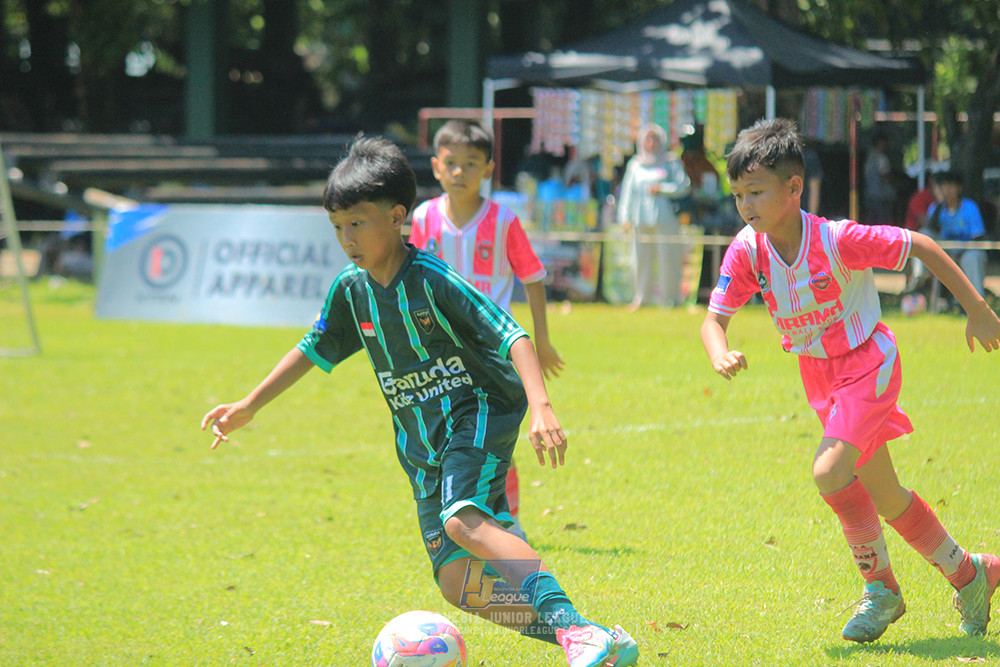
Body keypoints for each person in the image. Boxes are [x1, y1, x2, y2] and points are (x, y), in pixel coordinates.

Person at [200, 136, 638, 667]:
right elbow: (313, 349)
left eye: (357, 223)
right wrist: (249, 405)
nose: (347, 238)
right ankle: (594, 637)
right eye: (338, 227)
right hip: (420, 447)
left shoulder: (432, 279)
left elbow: (512, 334)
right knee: (456, 582)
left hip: (478, 410)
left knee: (463, 520)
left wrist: (542, 404)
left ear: (398, 216)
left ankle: (574, 632)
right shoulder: (351, 291)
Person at [701, 118, 1000, 644]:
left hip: (869, 362)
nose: (745, 205)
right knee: (885, 496)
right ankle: (971, 573)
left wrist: (977, 309)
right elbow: (712, 319)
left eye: (755, 192)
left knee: (829, 470)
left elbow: (922, 245)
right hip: (820, 377)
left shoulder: (838, 239)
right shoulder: (748, 249)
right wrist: (720, 350)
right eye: (738, 195)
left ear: (793, 189)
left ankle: (880, 589)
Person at [409, 119, 566, 541]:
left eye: (470, 163)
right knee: (448, 436)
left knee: (494, 435)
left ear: (488, 169)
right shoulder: (423, 218)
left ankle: (507, 517)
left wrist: (543, 340)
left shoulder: (502, 222)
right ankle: (462, 514)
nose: (460, 172)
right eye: (452, 163)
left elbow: (532, 277)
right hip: (442, 351)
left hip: (493, 350)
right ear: (437, 166)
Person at [617, 123, 691, 309]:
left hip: (665, 219)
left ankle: (670, 299)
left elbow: (683, 186)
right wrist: (624, 217)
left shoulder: (670, 161)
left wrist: (663, 189)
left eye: (655, 139)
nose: (651, 143)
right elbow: (627, 193)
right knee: (641, 260)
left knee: (668, 260)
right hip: (640, 219)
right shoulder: (635, 165)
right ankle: (642, 298)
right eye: (647, 139)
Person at [925, 170, 988, 300]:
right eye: (944, 186)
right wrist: (940, 204)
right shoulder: (935, 209)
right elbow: (930, 231)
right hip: (943, 252)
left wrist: (958, 255)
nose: (948, 190)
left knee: (973, 258)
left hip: (967, 251)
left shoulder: (970, 207)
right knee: (923, 234)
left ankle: (977, 304)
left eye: (951, 186)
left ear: (959, 188)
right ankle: (920, 280)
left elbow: (978, 237)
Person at [902, 170, 939, 291]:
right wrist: (941, 202)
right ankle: (915, 281)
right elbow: (926, 224)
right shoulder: (920, 197)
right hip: (914, 235)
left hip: (937, 237)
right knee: (921, 239)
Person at [863, 131, 896, 226]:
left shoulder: (869, 157)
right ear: (880, 143)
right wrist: (896, 184)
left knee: (870, 222)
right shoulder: (881, 157)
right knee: (884, 223)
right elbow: (885, 176)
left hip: (869, 194)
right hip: (882, 196)